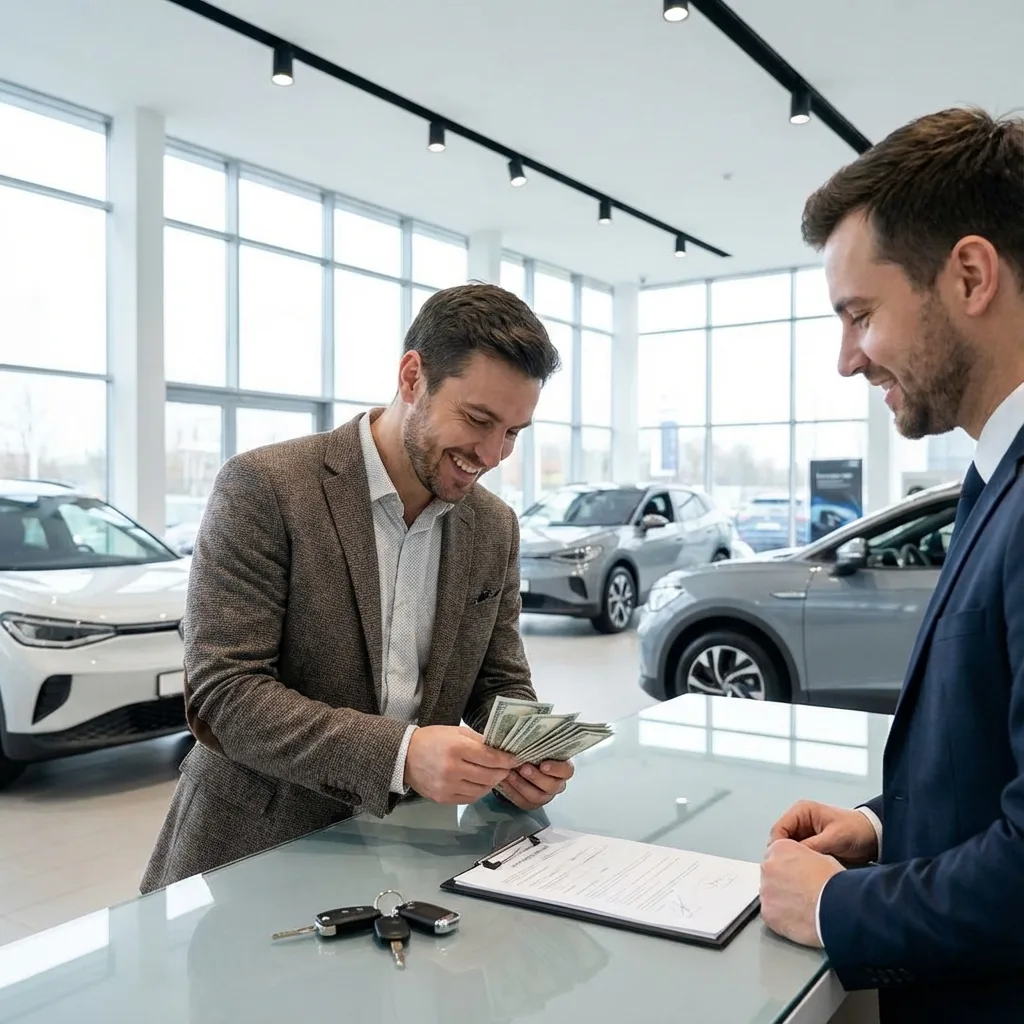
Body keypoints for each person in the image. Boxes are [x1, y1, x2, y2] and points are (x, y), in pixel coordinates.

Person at [142, 283, 573, 892]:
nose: (492, 453)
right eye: (478, 420)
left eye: (513, 432)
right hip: (255, 855)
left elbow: (498, 679)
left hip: (411, 854)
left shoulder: (493, 525)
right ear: (411, 377)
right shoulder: (264, 487)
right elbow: (223, 695)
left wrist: (528, 746)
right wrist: (400, 754)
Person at [760, 108, 1024, 1022]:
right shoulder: (995, 472)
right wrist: (880, 827)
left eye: (860, 315)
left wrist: (836, 907)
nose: (845, 359)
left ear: (970, 275)